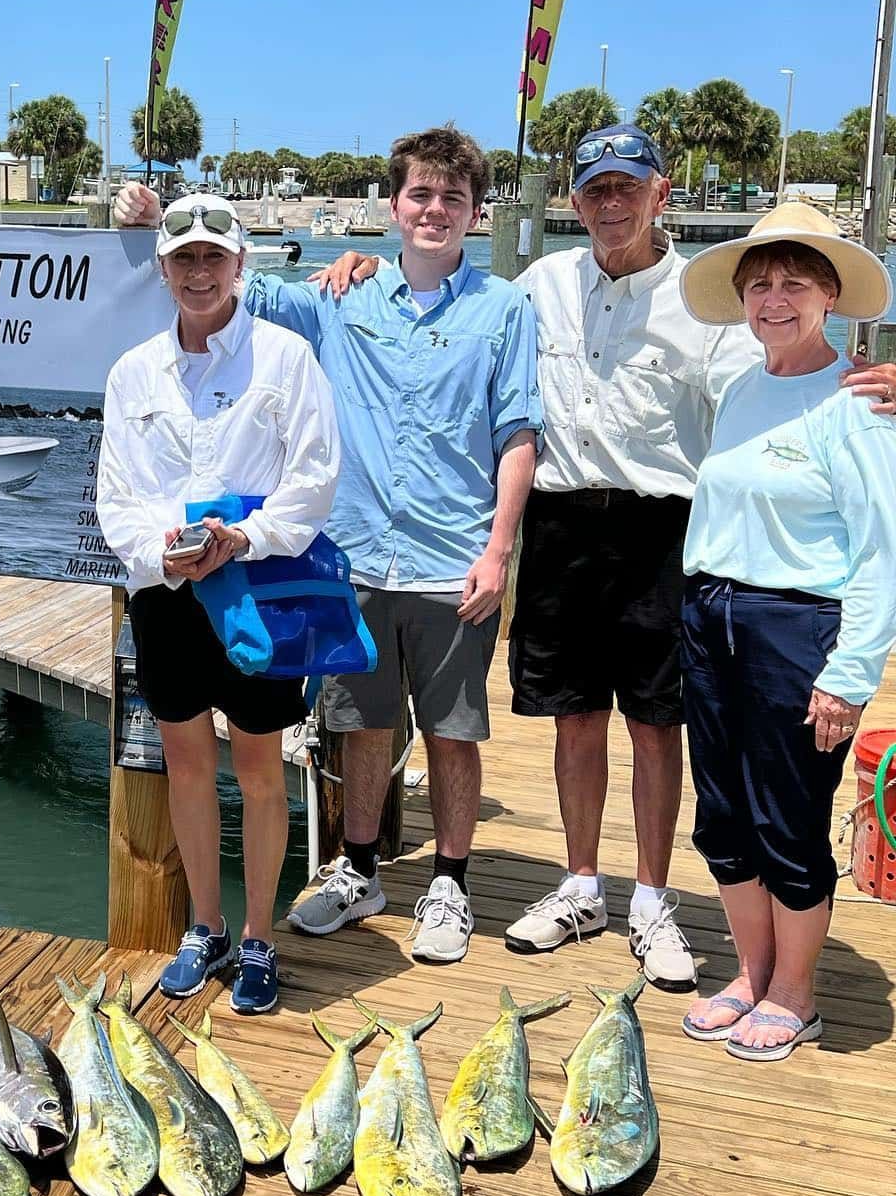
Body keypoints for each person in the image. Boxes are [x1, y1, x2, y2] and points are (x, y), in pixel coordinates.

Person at [319, 122, 896, 989]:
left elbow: (793, 366)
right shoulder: (539, 284)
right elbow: (443, 298)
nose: (611, 203)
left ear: (661, 193)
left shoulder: (711, 308)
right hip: (560, 524)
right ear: (574, 202)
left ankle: (654, 898)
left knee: (658, 726)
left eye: (628, 187)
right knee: (573, 717)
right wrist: (358, 263)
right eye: (595, 190)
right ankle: (582, 880)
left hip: (663, 529)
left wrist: (879, 380)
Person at [116, 127, 541, 967]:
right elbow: (237, 290)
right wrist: (156, 216)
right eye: (420, 195)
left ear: (476, 214)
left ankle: (450, 878)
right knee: (360, 722)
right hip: (356, 556)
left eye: (453, 199)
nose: (434, 211)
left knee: (454, 730)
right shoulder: (345, 298)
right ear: (393, 208)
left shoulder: (506, 309)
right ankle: (361, 868)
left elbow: (519, 433)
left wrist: (499, 550)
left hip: (454, 553)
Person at [97, 192, 340, 1014]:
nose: (199, 272)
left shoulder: (285, 358)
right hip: (165, 597)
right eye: (183, 258)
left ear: (242, 264)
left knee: (261, 770)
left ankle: (262, 934)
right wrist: (161, 553)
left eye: (213, 257)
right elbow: (115, 498)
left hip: (259, 590)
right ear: (162, 269)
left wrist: (242, 539)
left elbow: (315, 479)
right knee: (188, 765)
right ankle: (205, 927)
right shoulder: (131, 371)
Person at [677, 205, 896, 1057]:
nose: (774, 298)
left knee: (790, 816)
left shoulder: (859, 402)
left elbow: (880, 551)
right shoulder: (740, 389)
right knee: (723, 814)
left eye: (794, 282)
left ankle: (797, 993)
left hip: (798, 626)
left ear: (831, 296)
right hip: (710, 616)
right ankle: (751, 969)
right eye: (760, 282)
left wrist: (850, 672)